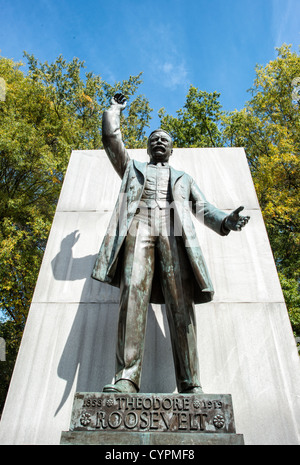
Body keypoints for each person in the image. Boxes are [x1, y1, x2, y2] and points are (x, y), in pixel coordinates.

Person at [92, 93, 249, 394]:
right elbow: (111, 141)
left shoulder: (183, 178)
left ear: (172, 148)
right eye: (154, 139)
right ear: (148, 147)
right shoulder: (132, 169)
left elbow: (204, 208)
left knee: (181, 306)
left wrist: (225, 221)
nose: (159, 142)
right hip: (138, 228)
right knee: (132, 296)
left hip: (174, 231)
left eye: (165, 139)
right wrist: (114, 110)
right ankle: (126, 378)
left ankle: (191, 383)